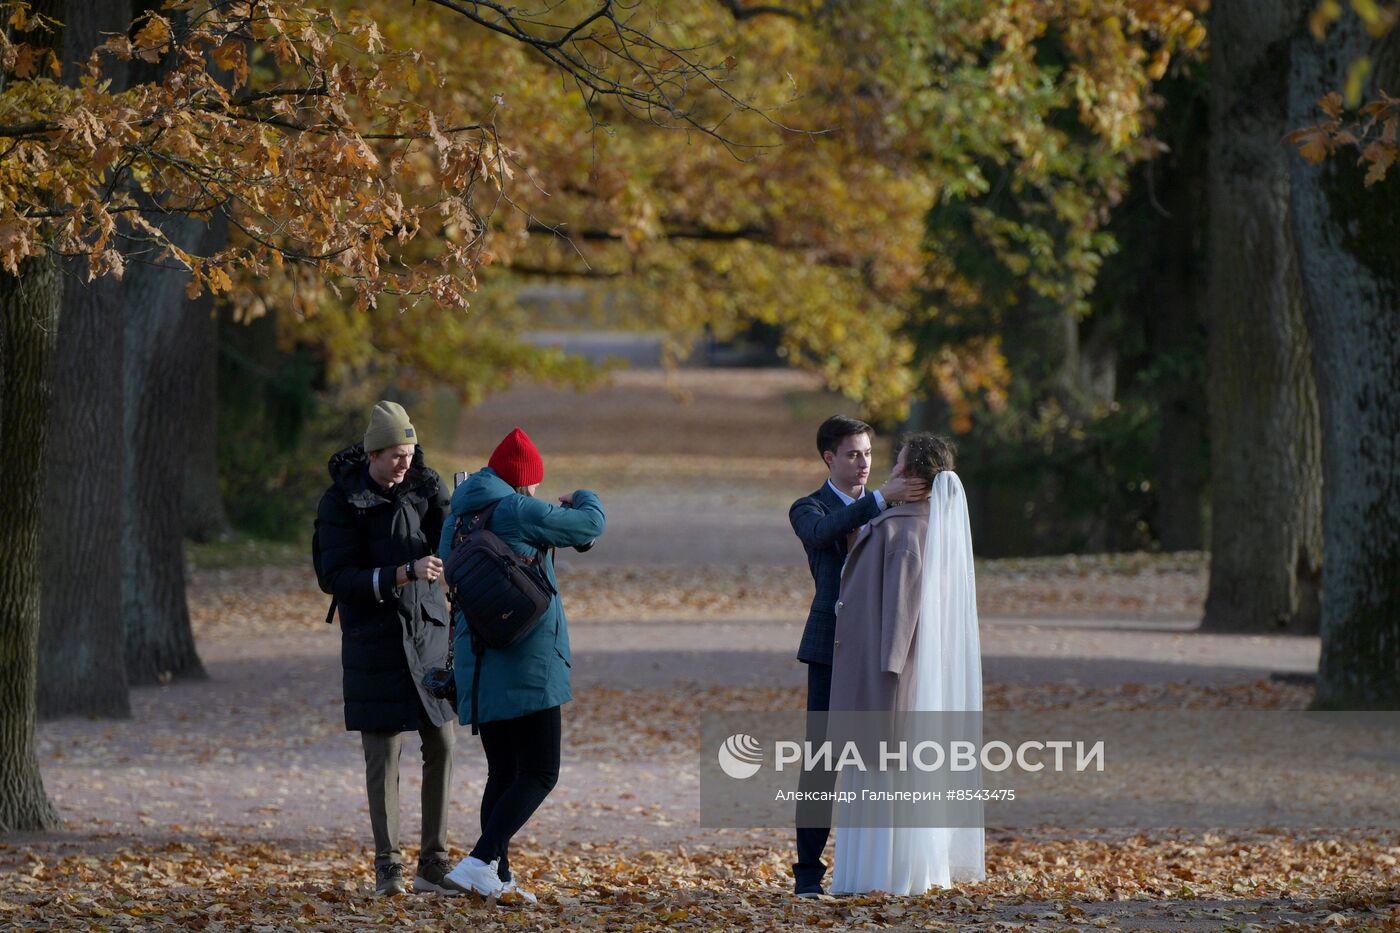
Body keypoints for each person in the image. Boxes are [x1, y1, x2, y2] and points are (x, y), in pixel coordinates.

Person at [439, 427, 605, 901]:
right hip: (528, 661)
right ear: (524, 478)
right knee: (541, 771)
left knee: (504, 773)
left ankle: (498, 876)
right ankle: (479, 860)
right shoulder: (516, 508)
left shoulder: (459, 515)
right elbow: (589, 525)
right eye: (533, 480)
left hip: (479, 659)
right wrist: (583, 497)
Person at [313, 400, 461, 897]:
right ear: (373, 453)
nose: (405, 463)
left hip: (427, 633)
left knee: (442, 744)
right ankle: (388, 867)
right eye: (396, 454)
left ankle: (433, 863)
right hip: (372, 642)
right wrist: (398, 574)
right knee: (383, 756)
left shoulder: (427, 486)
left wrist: (467, 517)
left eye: (410, 453)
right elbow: (334, 576)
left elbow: (451, 545)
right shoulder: (341, 500)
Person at [828, 433, 984, 895]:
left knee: (882, 775)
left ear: (912, 476)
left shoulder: (902, 532)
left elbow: (899, 615)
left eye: (897, 464)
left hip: (886, 677)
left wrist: (888, 675)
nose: (890, 470)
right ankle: (907, 868)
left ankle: (881, 873)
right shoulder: (932, 529)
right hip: (904, 672)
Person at [787, 415, 930, 897]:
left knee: (882, 752)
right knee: (822, 760)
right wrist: (881, 500)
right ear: (829, 458)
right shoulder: (808, 507)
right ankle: (808, 874)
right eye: (853, 454)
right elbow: (821, 533)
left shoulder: (893, 505)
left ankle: (879, 865)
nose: (864, 463)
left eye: (868, 453)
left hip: (882, 645)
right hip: (830, 647)